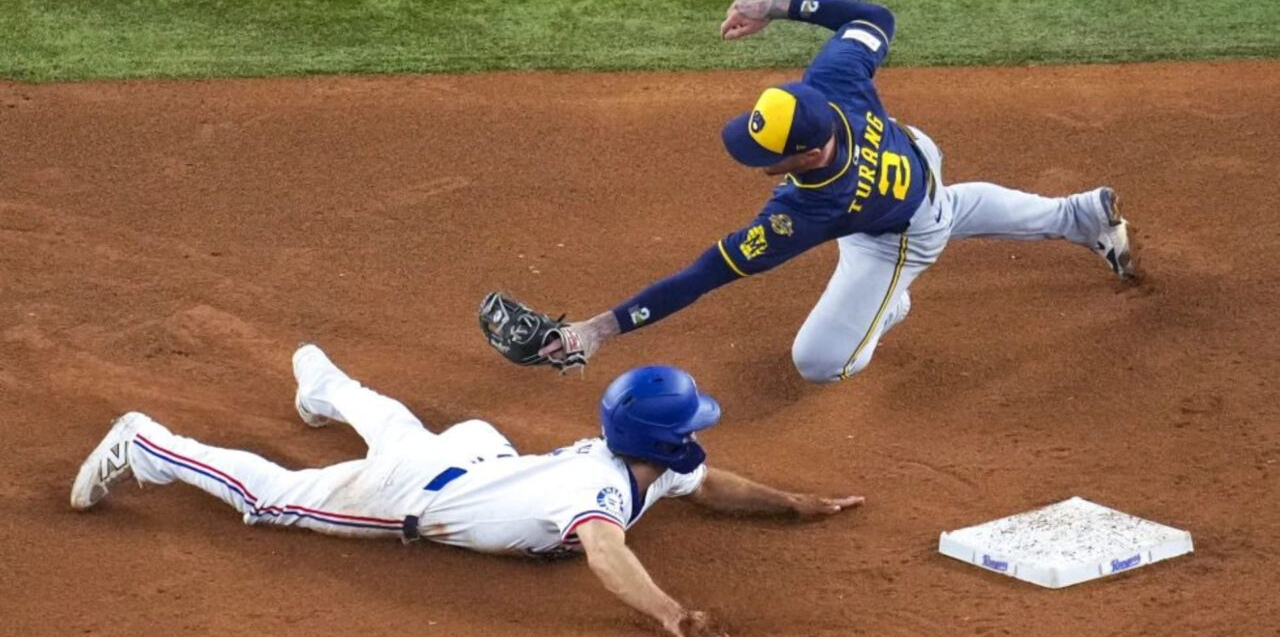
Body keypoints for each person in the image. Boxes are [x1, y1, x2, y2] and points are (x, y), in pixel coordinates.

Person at [497, 0, 1137, 383]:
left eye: (763, 156)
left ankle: (890, 305)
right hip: (913, 153)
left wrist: (602, 329)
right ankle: (1078, 216)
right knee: (942, 198)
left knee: (820, 363)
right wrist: (776, 5)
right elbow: (875, 16)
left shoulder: (808, 209)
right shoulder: (834, 79)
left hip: (898, 235)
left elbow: (706, 273)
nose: (754, 163)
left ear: (803, 154)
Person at [70, 344, 862, 637]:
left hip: (480, 457)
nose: (699, 434)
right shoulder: (600, 494)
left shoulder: (647, 461)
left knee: (405, 432)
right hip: (407, 495)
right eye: (690, 422)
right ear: (663, 438)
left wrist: (796, 503)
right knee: (272, 499)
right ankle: (149, 443)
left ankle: (324, 380)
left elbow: (710, 484)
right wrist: (666, 613)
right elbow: (605, 550)